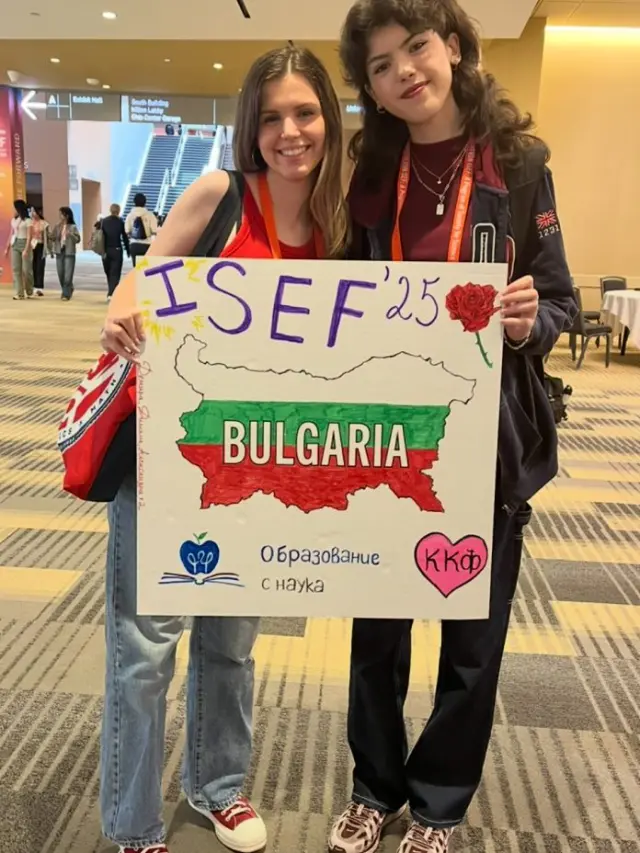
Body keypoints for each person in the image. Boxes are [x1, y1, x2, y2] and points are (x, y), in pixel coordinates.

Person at [329, 3, 577, 853]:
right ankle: (374, 787)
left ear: (456, 48)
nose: (404, 71)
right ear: (371, 88)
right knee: (376, 634)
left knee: (473, 640)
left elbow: (560, 298)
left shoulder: (519, 163)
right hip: (387, 439)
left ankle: (438, 803)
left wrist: (530, 321)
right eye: (381, 65)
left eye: (417, 48)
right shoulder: (372, 171)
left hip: (485, 440)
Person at [98, 44, 347, 853]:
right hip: (168, 453)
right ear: (250, 126)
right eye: (271, 117)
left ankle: (217, 785)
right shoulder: (221, 195)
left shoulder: (340, 224)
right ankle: (132, 820)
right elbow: (143, 277)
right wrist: (121, 307)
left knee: (231, 643)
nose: (289, 132)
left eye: (304, 112)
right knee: (146, 649)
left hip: (261, 464)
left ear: (329, 119)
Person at [3, 199, 33, 300]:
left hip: (25, 243)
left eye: (14, 208)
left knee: (26, 270)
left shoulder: (28, 221)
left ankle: (29, 290)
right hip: (15, 244)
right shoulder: (13, 221)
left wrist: (26, 249)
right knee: (16, 269)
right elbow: (11, 234)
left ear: (18, 208)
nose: (13, 210)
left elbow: (29, 236)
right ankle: (19, 293)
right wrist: (7, 247)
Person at [50, 206, 81, 300]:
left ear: (66, 215)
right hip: (59, 251)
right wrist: (49, 235)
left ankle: (66, 294)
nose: (59, 216)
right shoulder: (57, 226)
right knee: (60, 273)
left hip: (69, 252)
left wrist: (70, 234)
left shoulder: (73, 227)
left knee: (68, 274)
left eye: (61, 214)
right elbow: (52, 237)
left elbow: (78, 239)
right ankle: (69, 288)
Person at [100, 202, 130, 299]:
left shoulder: (104, 221)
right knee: (115, 272)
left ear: (110, 210)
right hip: (117, 249)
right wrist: (128, 250)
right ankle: (111, 292)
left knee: (108, 271)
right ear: (119, 211)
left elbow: (100, 236)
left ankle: (111, 291)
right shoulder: (120, 222)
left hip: (106, 250)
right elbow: (124, 237)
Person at [125, 192, 158, 266]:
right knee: (146, 268)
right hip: (147, 245)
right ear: (145, 202)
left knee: (136, 268)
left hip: (134, 244)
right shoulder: (150, 215)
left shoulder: (129, 216)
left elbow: (127, 231)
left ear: (134, 202)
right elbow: (154, 231)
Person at [30, 206, 49, 296]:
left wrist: (47, 249)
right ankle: (33, 286)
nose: (32, 213)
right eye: (31, 211)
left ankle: (39, 287)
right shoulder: (29, 222)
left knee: (40, 266)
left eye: (34, 211)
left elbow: (46, 237)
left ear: (39, 213)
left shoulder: (44, 223)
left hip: (40, 246)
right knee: (32, 266)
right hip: (31, 246)